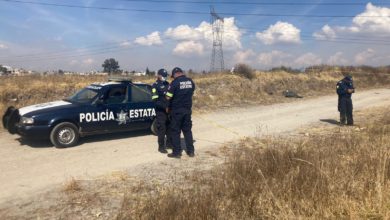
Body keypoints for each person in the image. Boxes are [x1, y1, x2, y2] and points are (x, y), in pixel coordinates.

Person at [165, 67, 196, 158]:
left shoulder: (174, 83)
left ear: (175, 74)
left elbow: (168, 97)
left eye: (173, 76)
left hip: (177, 112)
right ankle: (191, 152)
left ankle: (177, 152)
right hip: (187, 111)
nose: (173, 78)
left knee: (175, 131)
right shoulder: (190, 81)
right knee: (187, 131)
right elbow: (192, 91)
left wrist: (167, 94)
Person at [152, 69, 171, 153]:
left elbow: (171, 96)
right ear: (159, 75)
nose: (165, 77)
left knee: (170, 127)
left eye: (166, 76)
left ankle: (169, 144)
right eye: (164, 76)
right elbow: (155, 101)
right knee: (162, 129)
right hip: (161, 111)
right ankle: (161, 147)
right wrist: (165, 107)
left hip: (169, 110)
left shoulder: (168, 84)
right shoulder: (155, 86)